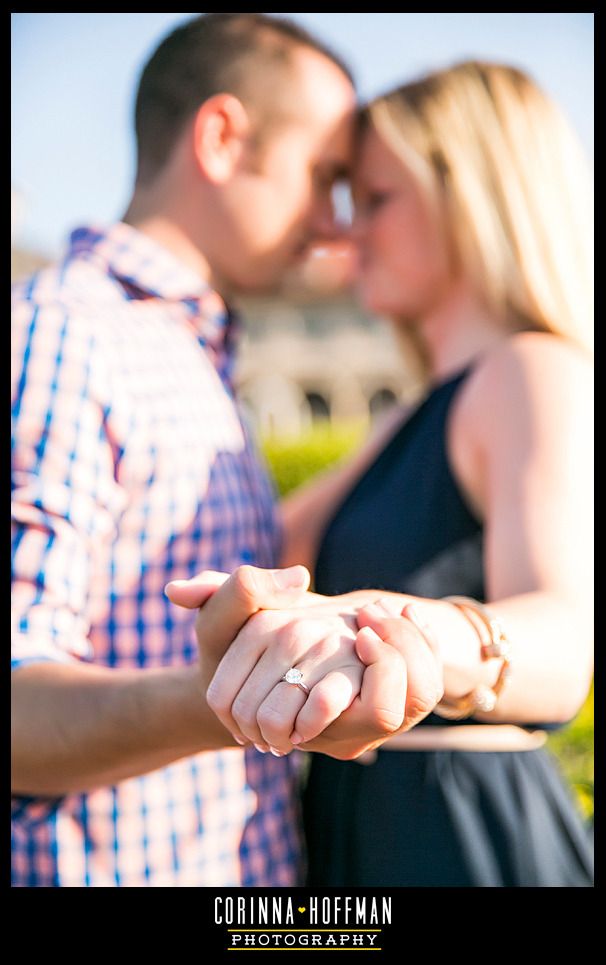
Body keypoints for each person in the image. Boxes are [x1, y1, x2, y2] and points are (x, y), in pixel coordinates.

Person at [11, 13, 442, 888]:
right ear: (222, 138)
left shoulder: (187, 355)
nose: (333, 224)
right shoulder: (65, 337)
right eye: (323, 178)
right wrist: (236, 696)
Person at [173, 60, 594, 886]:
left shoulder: (530, 371)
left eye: (374, 199)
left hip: (457, 833)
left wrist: (416, 636)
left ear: (471, 198)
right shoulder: (419, 411)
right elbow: (274, 549)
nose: (342, 231)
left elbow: (566, 638)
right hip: (372, 822)